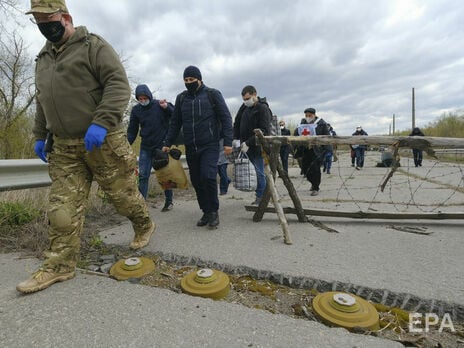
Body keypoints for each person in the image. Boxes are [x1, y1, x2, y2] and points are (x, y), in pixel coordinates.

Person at [18, 0, 155, 294]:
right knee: (61, 211)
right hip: (65, 149)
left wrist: (102, 122)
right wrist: (40, 134)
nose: (44, 25)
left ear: (65, 17)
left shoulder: (93, 46)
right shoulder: (42, 59)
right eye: (38, 20)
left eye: (48, 18)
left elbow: (118, 84)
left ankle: (143, 224)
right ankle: (59, 266)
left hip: (103, 141)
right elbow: (42, 99)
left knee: (123, 198)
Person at [162, 66, 233, 229]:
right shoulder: (181, 99)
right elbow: (175, 123)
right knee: (197, 180)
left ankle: (214, 212)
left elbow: (226, 118)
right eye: (186, 80)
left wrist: (228, 142)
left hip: (210, 144)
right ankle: (206, 211)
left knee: (208, 176)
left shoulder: (212, 94)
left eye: (191, 80)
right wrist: (167, 143)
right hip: (191, 146)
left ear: (199, 79)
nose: (189, 83)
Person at [127, 84, 175, 211]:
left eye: (144, 98)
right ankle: (142, 205)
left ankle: (169, 201)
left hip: (161, 147)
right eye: (140, 99)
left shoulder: (159, 105)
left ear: (149, 96)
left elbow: (175, 115)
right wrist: (126, 145)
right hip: (146, 147)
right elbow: (132, 130)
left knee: (164, 175)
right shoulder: (136, 110)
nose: (143, 101)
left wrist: (167, 107)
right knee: (143, 175)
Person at [233, 85, 271, 205]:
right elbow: (237, 122)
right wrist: (236, 138)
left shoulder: (262, 109)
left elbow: (264, 130)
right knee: (251, 171)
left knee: (259, 172)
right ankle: (259, 194)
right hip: (244, 145)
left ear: (255, 94)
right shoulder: (244, 107)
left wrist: (249, 142)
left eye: (248, 98)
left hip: (257, 146)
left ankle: (261, 197)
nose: (246, 101)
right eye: (244, 99)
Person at [294, 108, 330, 196]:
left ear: (314, 115)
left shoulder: (321, 123)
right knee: (305, 168)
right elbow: (296, 133)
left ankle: (316, 187)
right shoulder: (302, 123)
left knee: (315, 168)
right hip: (305, 150)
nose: (308, 117)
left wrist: (326, 149)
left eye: (310, 115)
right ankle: (312, 182)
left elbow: (327, 137)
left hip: (317, 150)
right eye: (306, 115)